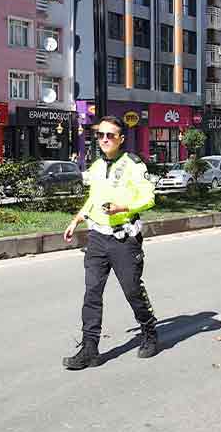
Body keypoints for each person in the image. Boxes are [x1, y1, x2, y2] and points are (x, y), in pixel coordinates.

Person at [61, 116, 158, 370]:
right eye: (101, 135)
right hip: (97, 238)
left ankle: (149, 329)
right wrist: (77, 219)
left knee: (131, 290)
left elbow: (149, 199)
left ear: (121, 139)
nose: (104, 139)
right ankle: (89, 348)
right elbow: (94, 199)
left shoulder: (133, 165)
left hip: (123, 239)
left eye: (110, 135)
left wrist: (122, 207)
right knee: (92, 292)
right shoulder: (96, 166)